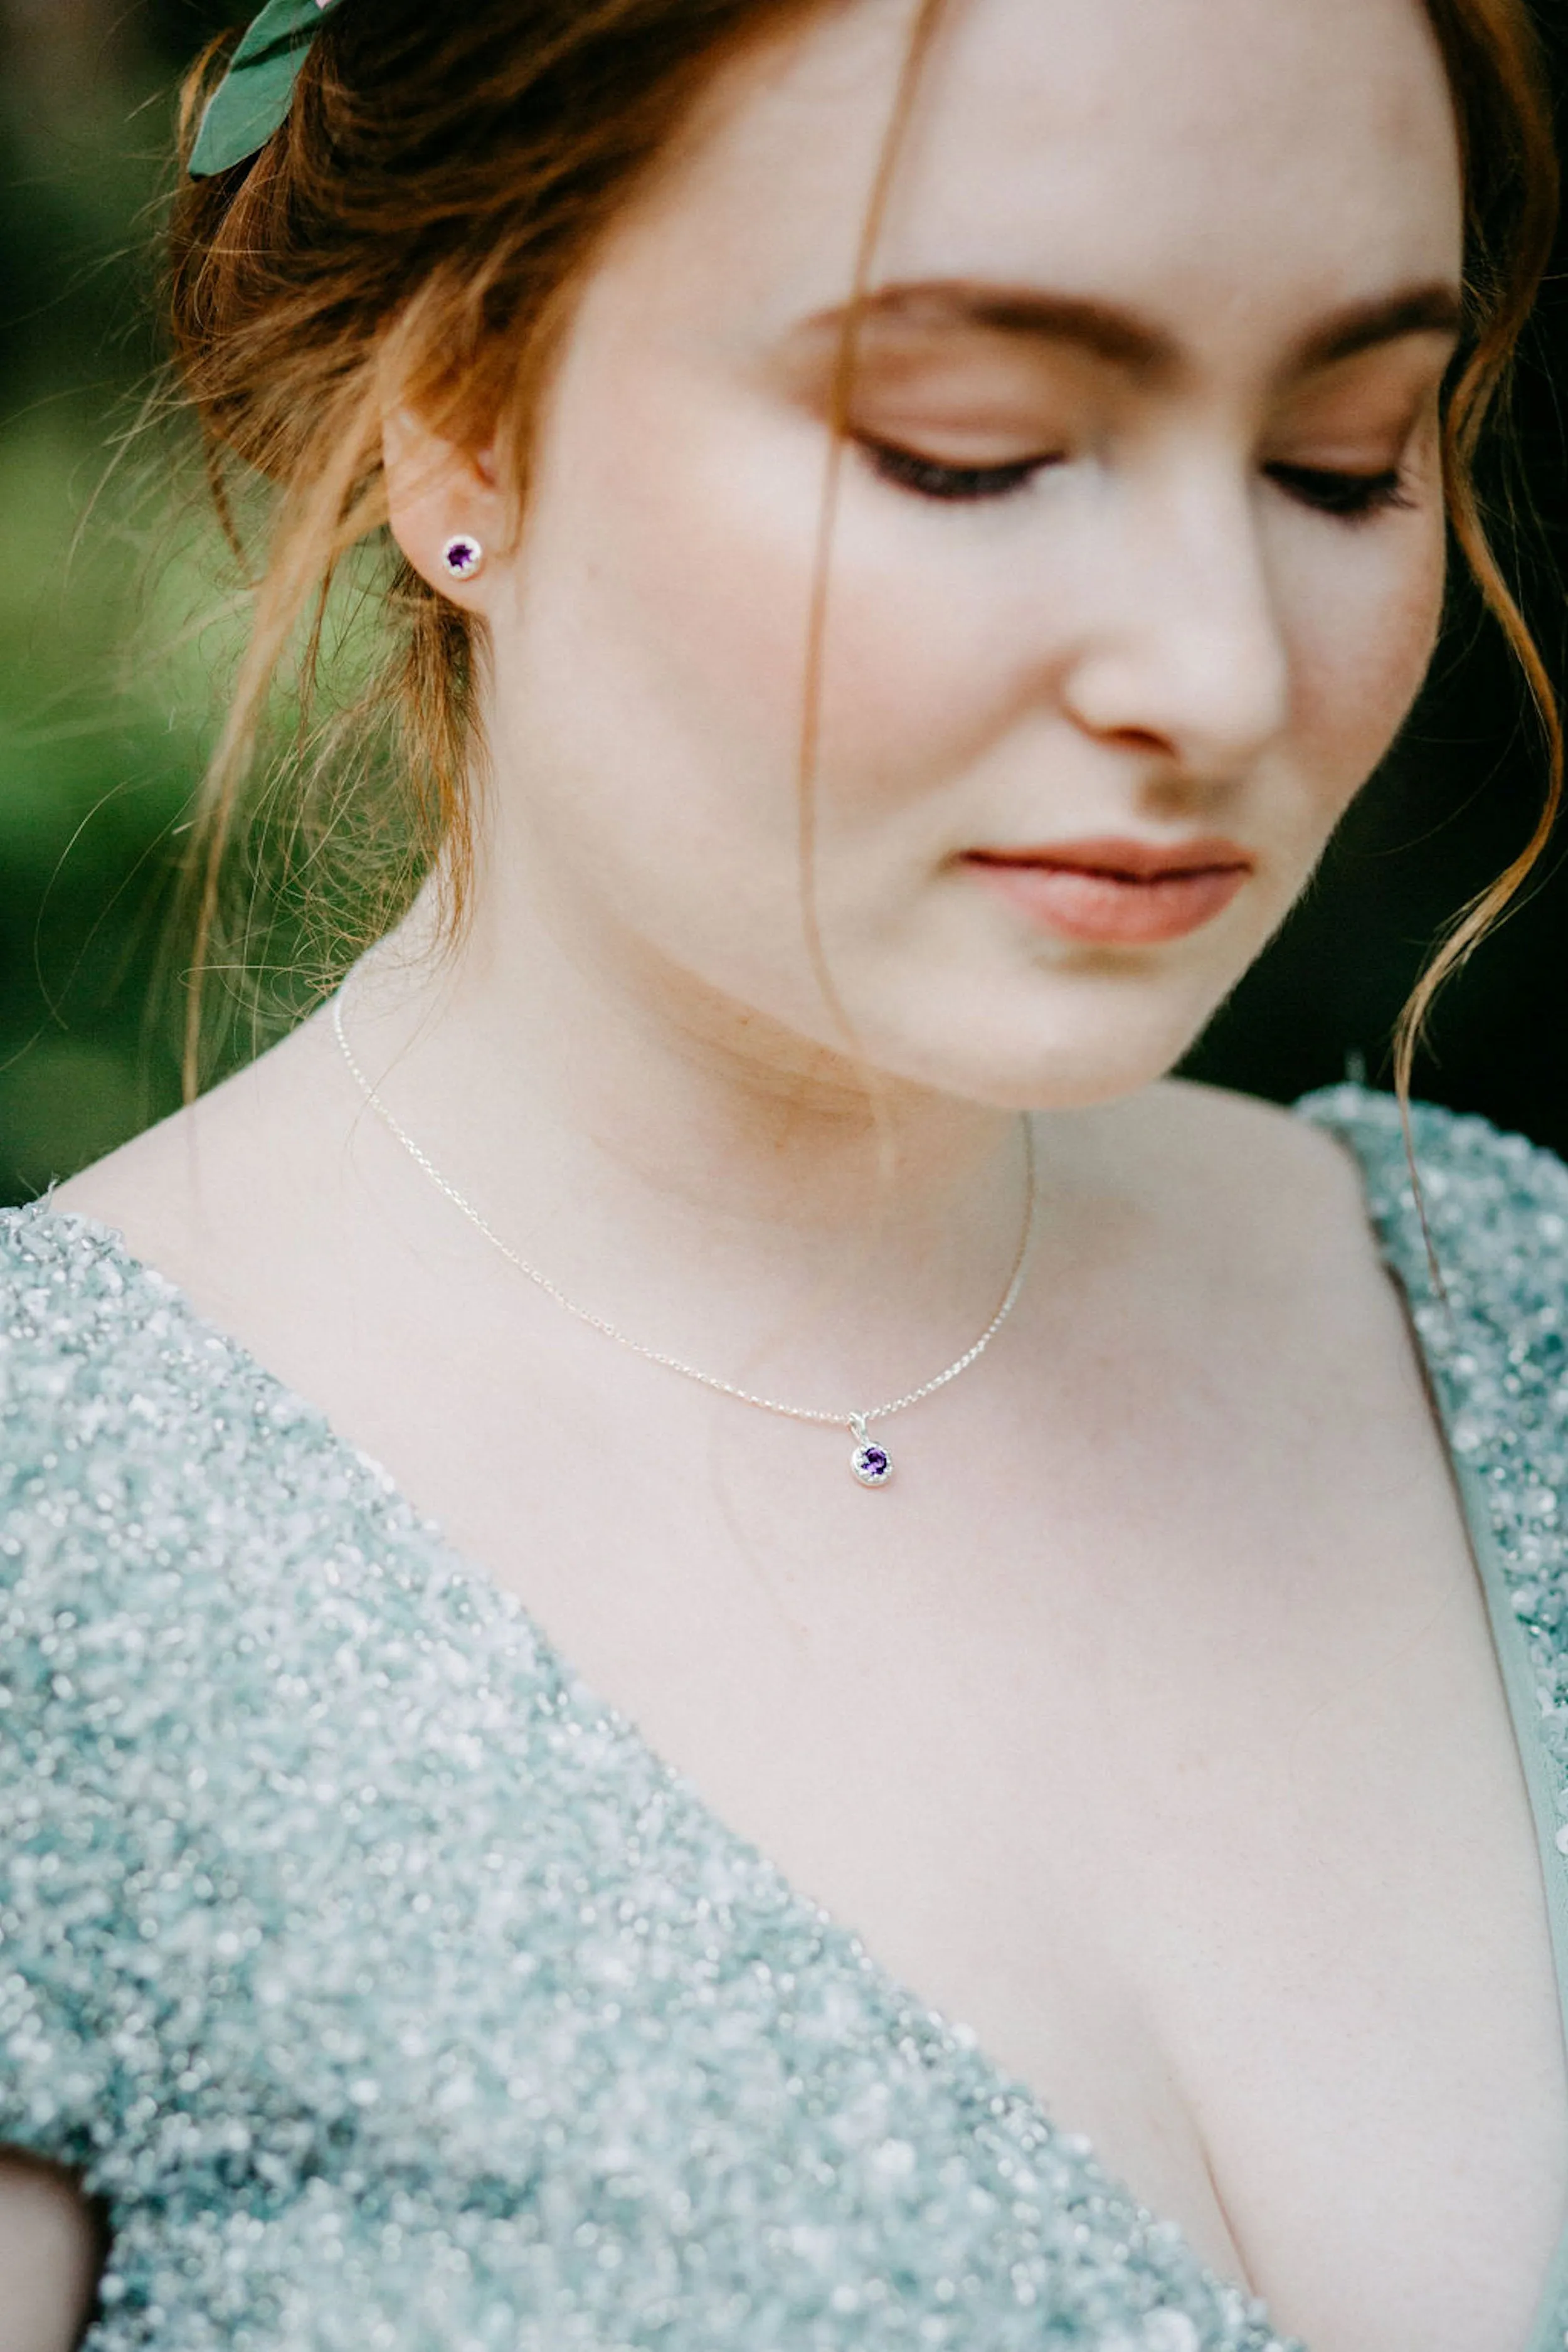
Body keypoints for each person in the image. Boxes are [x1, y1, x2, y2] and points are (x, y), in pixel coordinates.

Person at [1, 0, 1564, 2344]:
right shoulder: (57, 1556)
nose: (1220, 673)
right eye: (969, 449)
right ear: (459, 406)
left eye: (1342, 461)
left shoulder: (1515, 1309)